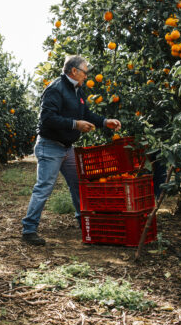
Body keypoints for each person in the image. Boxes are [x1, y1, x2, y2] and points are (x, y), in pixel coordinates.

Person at [22, 55, 121, 246]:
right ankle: (29, 229)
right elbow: (47, 119)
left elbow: (87, 114)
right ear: (74, 71)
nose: (87, 75)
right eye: (85, 71)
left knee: (78, 184)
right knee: (44, 187)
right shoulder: (55, 89)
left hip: (67, 148)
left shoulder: (78, 91)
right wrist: (75, 124)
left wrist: (104, 122)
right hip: (50, 145)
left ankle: (84, 223)